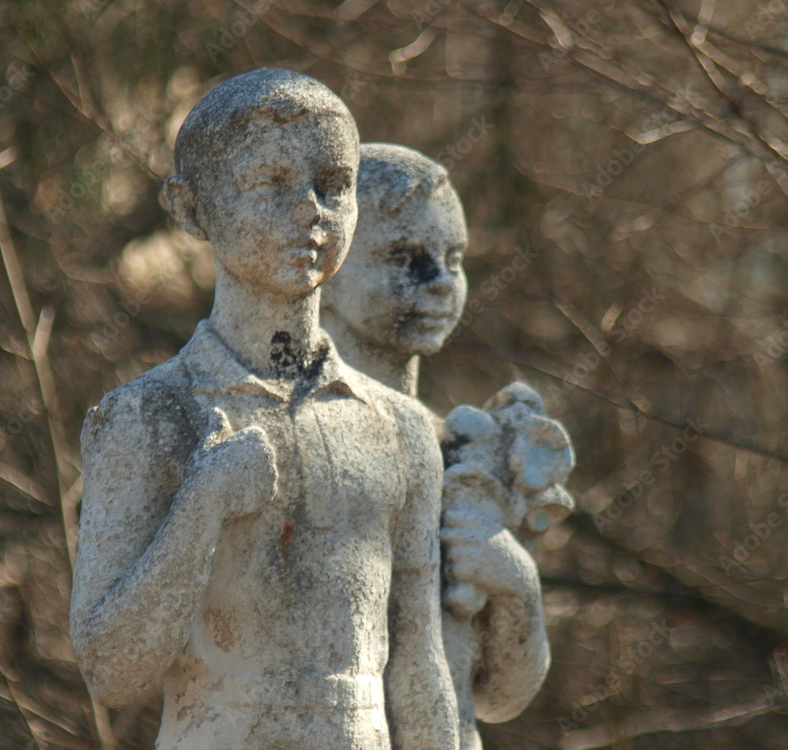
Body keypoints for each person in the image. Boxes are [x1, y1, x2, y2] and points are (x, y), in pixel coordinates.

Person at [70, 70, 458, 750]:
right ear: (192, 209)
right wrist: (203, 502)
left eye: (333, 185)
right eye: (270, 183)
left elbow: (419, 666)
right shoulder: (146, 417)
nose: (310, 209)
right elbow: (111, 671)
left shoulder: (400, 429)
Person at [322, 143, 571, 750]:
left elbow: (499, 697)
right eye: (402, 257)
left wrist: (517, 584)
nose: (438, 282)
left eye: (453, 258)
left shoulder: (464, 453)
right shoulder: (296, 440)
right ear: (324, 269)